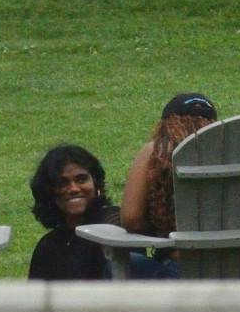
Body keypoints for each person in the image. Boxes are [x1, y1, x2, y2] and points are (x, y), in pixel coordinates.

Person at [118, 92, 220, 278]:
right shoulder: (234, 155)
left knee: (117, 265)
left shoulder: (155, 151)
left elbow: (132, 218)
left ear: (164, 126)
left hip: (181, 269)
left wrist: (160, 233)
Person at [26, 143, 120, 281]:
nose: (74, 188)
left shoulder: (112, 223)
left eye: (82, 179)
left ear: (96, 184)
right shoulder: (47, 246)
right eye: (62, 183)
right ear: (49, 192)